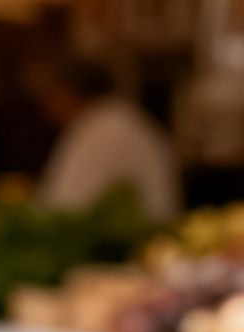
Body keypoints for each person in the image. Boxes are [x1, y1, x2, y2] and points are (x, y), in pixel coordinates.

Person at [37, 60, 180, 223]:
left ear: (65, 93)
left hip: (134, 242)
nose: (47, 108)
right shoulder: (126, 120)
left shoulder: (103, 128)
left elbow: (67, 207)